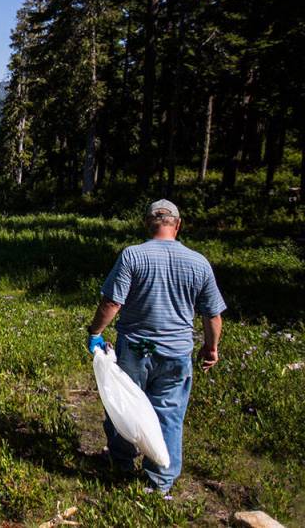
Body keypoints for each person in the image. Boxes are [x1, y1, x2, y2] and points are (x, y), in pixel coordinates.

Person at [85, 199, 225, 496]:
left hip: (135, 348)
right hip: (176, 353)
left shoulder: (133, 256)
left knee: (124, 405)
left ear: (147, 224)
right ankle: (160, 480)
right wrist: (211, 347)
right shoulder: (198, 262)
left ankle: (122, 461)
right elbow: (212, 313)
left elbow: (113, 302)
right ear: (178, 224)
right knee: (169, 414)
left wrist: (95, 331)